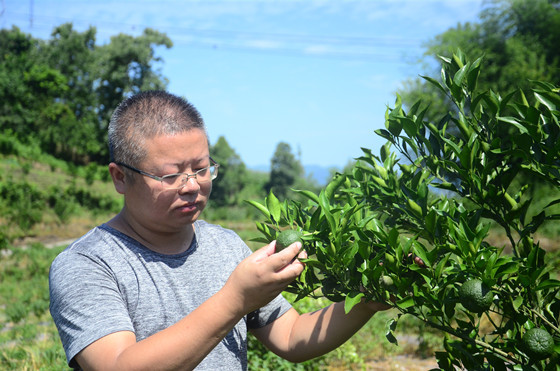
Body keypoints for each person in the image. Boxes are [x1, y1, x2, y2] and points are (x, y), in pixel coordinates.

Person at [49, 90, 390, 371]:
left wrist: (365, 302)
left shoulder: (225, 245)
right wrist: (236, 299)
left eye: (201, 169)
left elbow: (290, 336)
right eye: (171, 176)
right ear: (120, 177)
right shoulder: (87, 264)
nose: (192, 186)